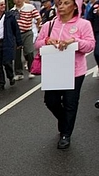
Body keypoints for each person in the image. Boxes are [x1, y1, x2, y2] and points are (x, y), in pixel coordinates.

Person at [34, 0, 95, 149]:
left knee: (70, 103)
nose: (61, 6)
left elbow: (90, 45)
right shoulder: (49, 25)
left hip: (75, 71)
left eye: (66, 3)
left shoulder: (83, 24)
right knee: (51, 101)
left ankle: (65, 134)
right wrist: (47, 41)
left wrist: (74, 41)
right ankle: (64, 121)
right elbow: (37, 43)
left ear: (75, 6)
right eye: (59, 3)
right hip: (53, 70)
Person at [11, 0, 42, 80]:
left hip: (27, 32)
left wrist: (38, 26)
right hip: (16, 34)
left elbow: (38, 18)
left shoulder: (30, 7)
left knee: (29, 51)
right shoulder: (12, 11)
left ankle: (31, 70)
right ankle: (18, 73)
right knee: (17, 53)